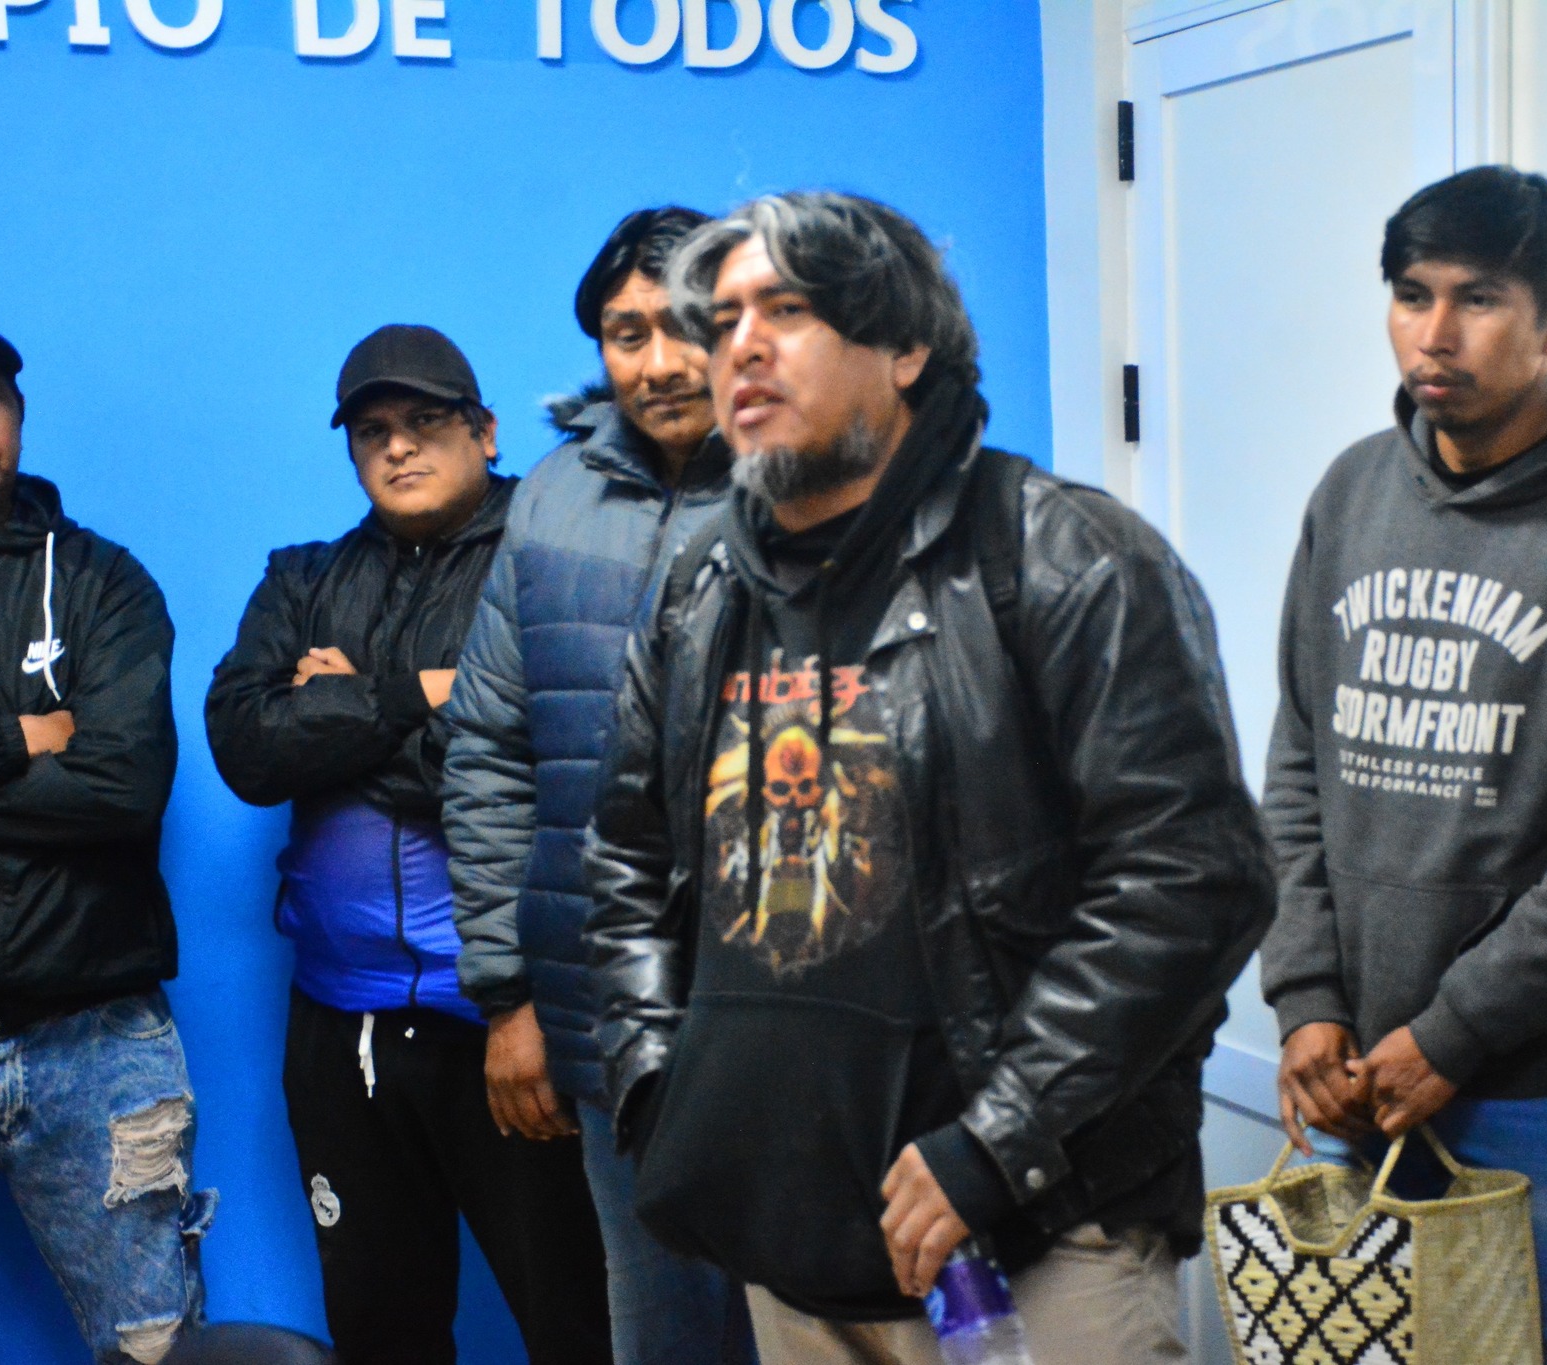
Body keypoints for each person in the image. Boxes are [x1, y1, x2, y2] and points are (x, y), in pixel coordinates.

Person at [582, 191, 1274, 1365]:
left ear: (904, 346)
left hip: (1044, 1233)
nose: (738, 346)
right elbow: (626, 856)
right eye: (725, 318)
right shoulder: (702, 588)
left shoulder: (1061, 556)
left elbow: (1191, 881)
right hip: (792, 1243)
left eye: (785, 310)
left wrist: (996, 1141)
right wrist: (662, 1088)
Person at [1259, 168, 1547, 1365]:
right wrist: (1305, 996)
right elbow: (1298, 760)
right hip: (1356, 1072)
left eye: (1476, 299)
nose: (1433, 334)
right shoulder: (1352, 491)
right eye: (1409, 295)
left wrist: (1454, 1031)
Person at [204, 325, 609, 1364]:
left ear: (485, 430)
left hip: (510, 1021)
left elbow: (536, 768)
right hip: (339, 1028)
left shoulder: (548, 563)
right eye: (372, 430)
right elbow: (248, 747)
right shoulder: (303, 579)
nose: (398, 447)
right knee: (380, 1332)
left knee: (581, 1324)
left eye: (425, 421)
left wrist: (342, 711)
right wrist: (419, 694)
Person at [442, 207, 754, 1362]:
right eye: (627, 335)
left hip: (785, 1026)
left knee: (811, 1327)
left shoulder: (807, 485)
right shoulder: (552, 498)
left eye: (686, 328)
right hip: (607, 1022)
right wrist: (507, 999)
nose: (659, 363)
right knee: (658, 1330)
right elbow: (488, 751)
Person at [0, 285, 208, 1365]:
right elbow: (75, 782)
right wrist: (20, 736)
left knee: (157, 1352)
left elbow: (124, 788)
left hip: (98, 1038)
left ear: (18, 413)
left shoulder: (102, 583)